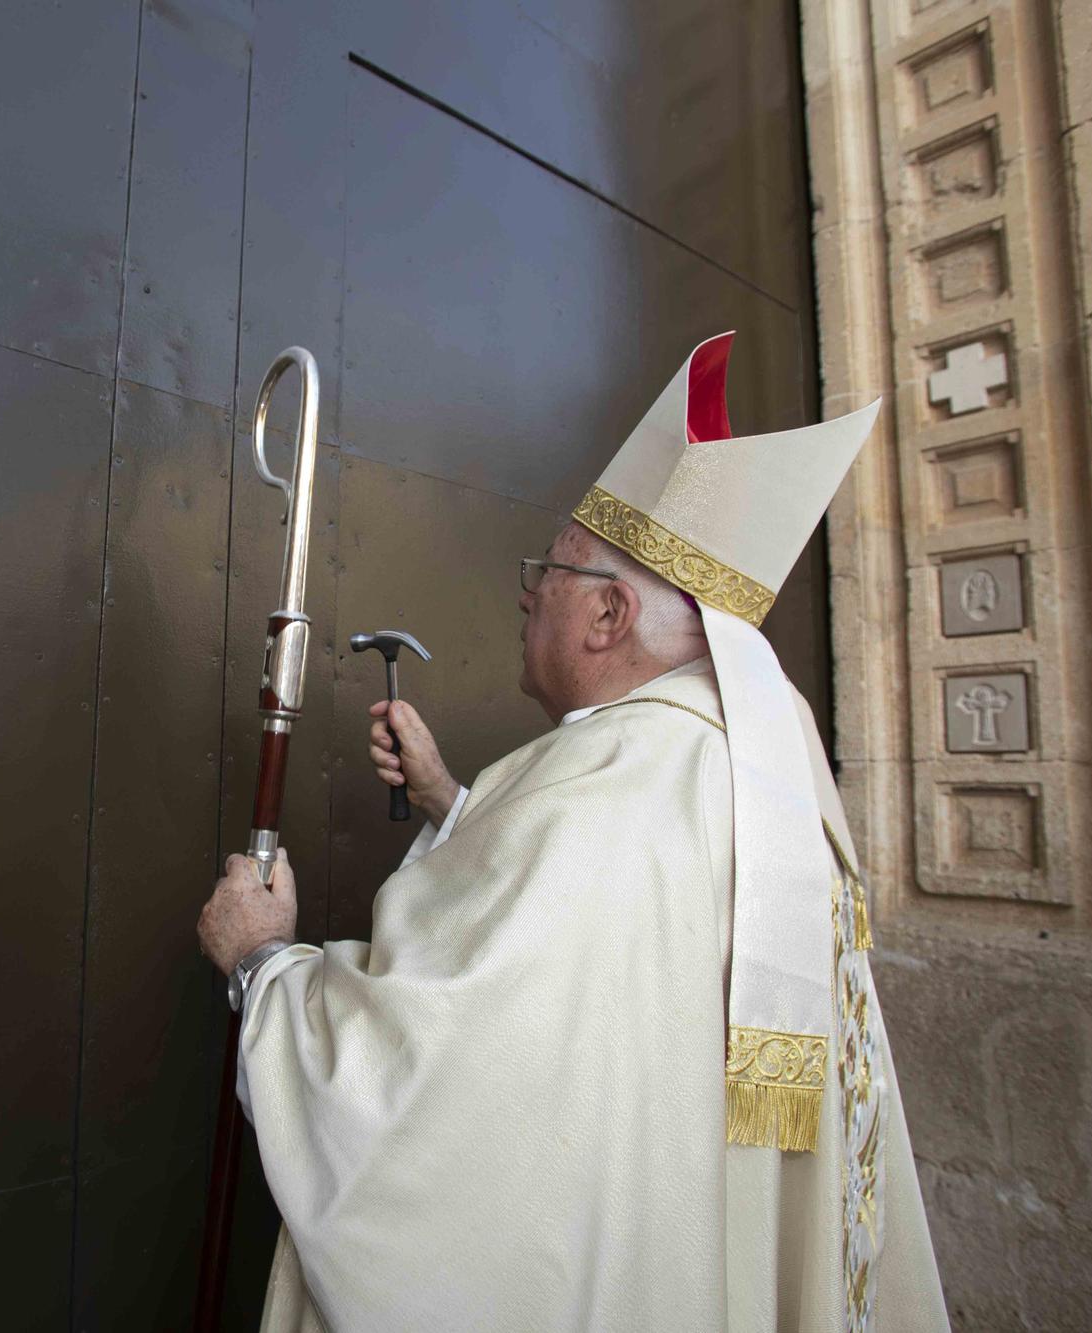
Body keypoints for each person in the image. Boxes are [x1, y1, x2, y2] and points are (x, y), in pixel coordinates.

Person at [197, 333, 949, 1331]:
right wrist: (458, 807)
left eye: (544, 571)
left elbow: (419, 1094)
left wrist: (262, 965)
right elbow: (623, 946)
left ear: (605, 613)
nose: (523, 591)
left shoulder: (585, 794)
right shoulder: (741, 765)